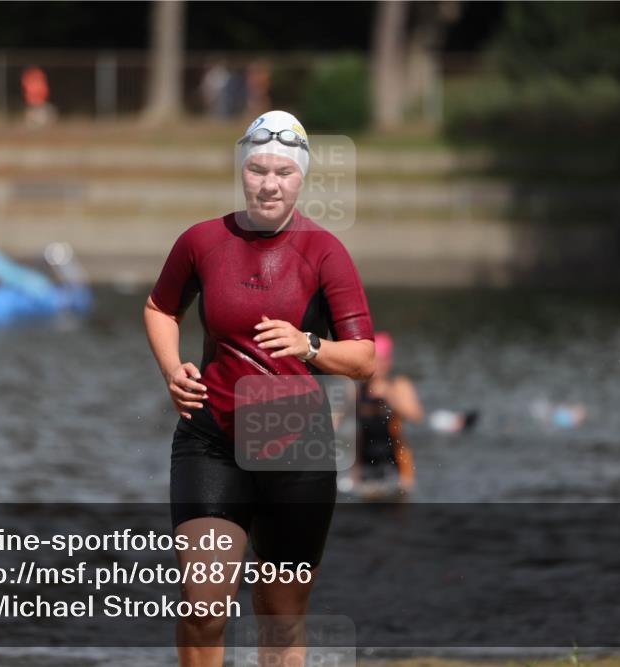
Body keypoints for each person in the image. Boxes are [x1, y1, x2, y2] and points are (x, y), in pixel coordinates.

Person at [144, 110, 375, 667]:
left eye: (283, 173)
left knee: (279, 616)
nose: (269, 184)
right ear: (242, 172)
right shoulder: (202, 241)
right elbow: (159, 307)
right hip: (211, 441)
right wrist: (172, 369)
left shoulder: (324, 252)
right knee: (204, 606)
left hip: (296, 446)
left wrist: (309, 346)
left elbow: (364, 358)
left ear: (301, 179)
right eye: (257, 169)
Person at [347, 331, 424, 495]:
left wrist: (390, 396)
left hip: (396, 464)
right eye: (374, 360)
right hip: (365, 464)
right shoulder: (358, 390)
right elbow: (336, 421)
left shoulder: (399, 386)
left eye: (381, 361)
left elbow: (416, 416)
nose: (377, 366)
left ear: (388, 362)